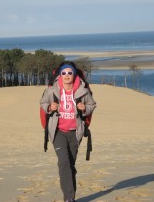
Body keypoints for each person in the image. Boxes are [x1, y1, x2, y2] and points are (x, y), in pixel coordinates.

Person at [40, 61, 97, 202]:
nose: (66, 75)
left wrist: (85, 108)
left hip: (75, 132)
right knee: (64, 162)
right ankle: (69, 199)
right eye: (63, 73)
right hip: (58, 131)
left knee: (70, 165)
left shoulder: (83, 90)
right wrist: (49, 107)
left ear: (74, 74)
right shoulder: (52, 90)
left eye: (69, 73)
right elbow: (42, 103)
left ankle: (70, 195)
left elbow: (92, 104)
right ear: (60, 74)